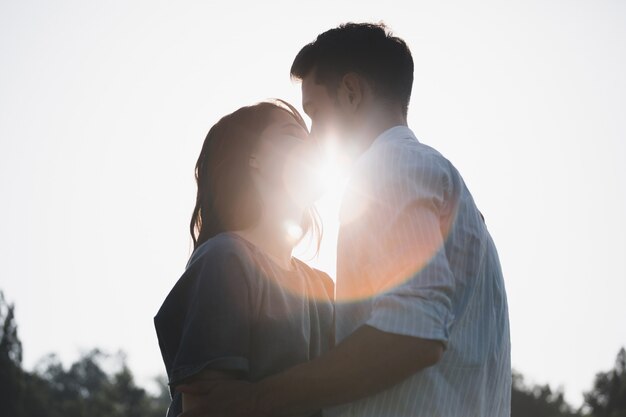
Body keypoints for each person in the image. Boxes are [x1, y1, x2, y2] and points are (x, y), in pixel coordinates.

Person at [177, 22, 512, 417]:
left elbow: (413, 333)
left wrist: (254, 400)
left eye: (315, 113)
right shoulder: (455, 197)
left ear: (351, 92)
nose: (315, 137)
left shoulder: (391, 167)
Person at [153, 99, 334, 417]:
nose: (313, 145)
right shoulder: (226, 259)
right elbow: (206, 407)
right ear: (254, 158)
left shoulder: (321, 286)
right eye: (294, 134)